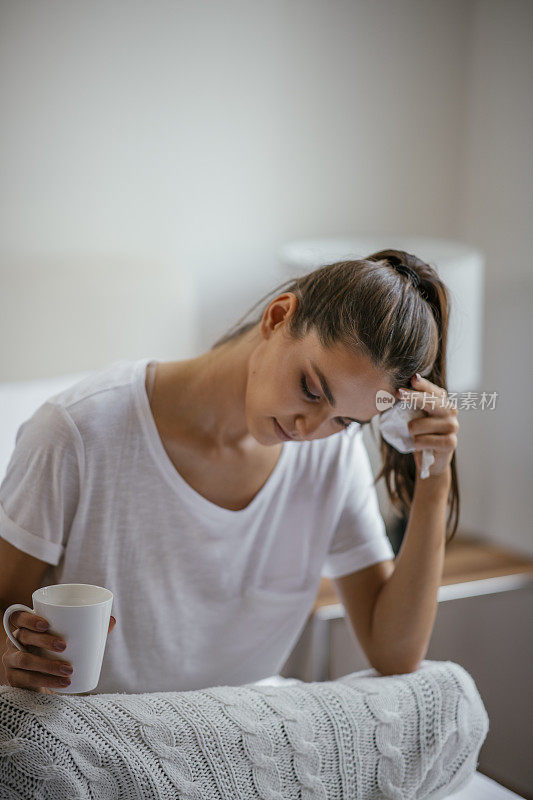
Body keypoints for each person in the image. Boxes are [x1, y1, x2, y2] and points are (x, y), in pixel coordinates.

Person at [0, 249, 459, 695]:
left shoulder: (333, 458)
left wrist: (435, 476)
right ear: (278, 317)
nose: (309, 429)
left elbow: (394, 654)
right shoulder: (76, 433)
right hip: (95, 744)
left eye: (345, 421)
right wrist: (14, 652)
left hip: (234, 742)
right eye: (311, 389)